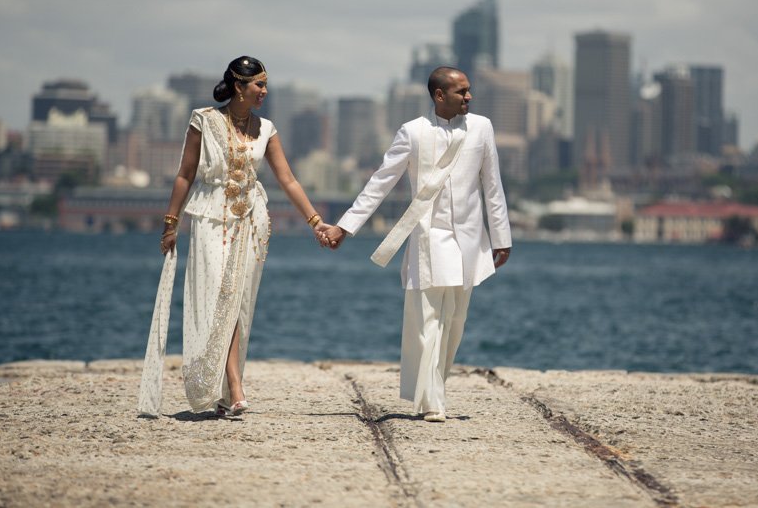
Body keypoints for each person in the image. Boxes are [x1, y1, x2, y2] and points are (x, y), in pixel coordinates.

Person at [321, 66, 512, 422]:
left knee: (455, 320)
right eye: (461, 92)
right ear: (439, 95)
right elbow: (380, 183)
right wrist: (345, 228)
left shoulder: (482, 128)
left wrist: (501, 238)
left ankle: (435, 387)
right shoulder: (412, 132)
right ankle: (430, 401)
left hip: (470, 238)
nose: (469, 96)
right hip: (428, 236)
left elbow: (493, 185)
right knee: (428, 319)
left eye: (469, 91)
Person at [146, 55, 330, 417]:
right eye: (258, 85)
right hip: (210, 218)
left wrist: (315, 222)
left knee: (238, 301)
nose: (264, 91)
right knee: (218, 296)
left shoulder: (267, 129)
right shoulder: (204, 120)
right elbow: (185, 174)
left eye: (265, 85)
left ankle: (229, 390)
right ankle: (232, 386)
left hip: (250, 221)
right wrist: (171, 223)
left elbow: (287, 179)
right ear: (237, 86)